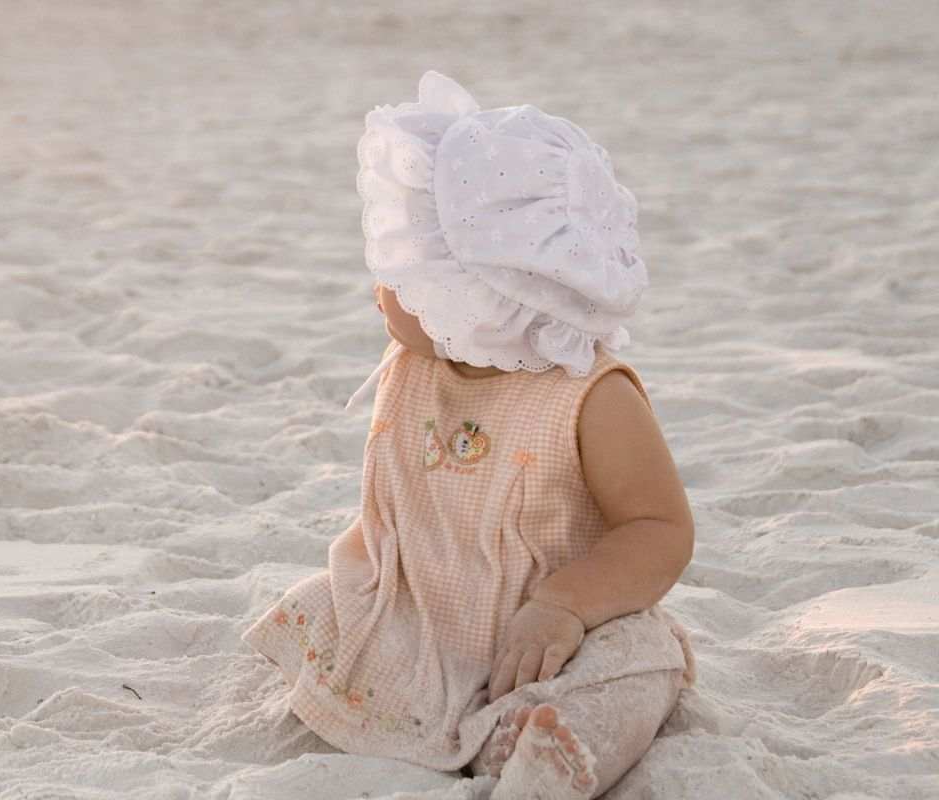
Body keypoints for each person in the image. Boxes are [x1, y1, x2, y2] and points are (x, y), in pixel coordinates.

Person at [241, 70, 698, 800]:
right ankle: (405, 703)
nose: (378, 291)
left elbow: (660, 527)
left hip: (548, 639)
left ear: (473, 299)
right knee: (316, 603)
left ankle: (548, 743)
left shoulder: (589, 397)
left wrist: (566, 605)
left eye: (399, 277)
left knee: (643, 656)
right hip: (417, 610)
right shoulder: (419, 362)